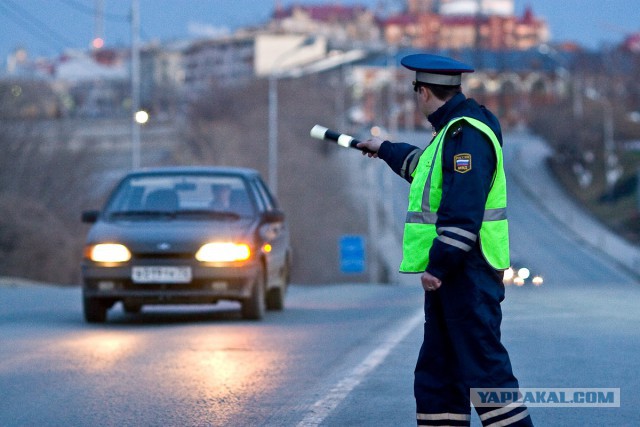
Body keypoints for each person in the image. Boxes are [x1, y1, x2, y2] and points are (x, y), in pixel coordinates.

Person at [357, 53, 533, 427]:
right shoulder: (454, 131)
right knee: (440, 374)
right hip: (458, 275)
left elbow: (462, 208)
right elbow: (427, 171)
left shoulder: (465, 134)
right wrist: (384, 148)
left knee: (486, 373)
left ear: (422, 92)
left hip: (466, 272)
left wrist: (438, 267)